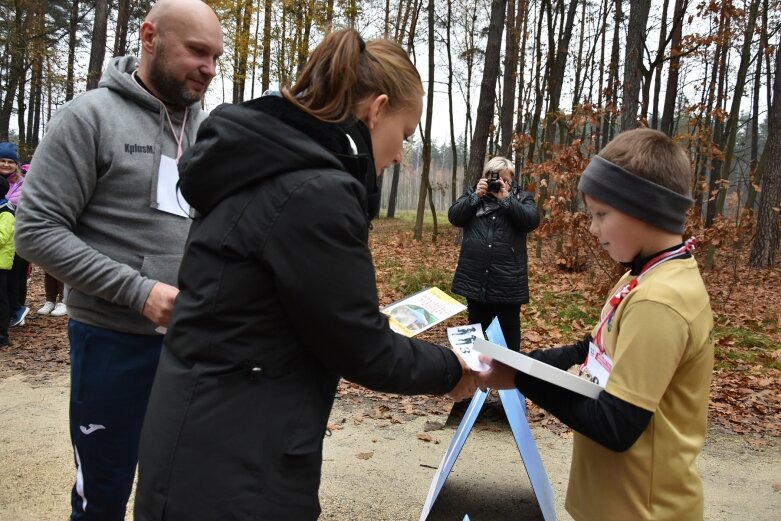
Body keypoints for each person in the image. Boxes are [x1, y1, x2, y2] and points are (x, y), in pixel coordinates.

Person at [133, 28, 476, 521]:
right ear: (376, 109)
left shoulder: (267, 163)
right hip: (240, 463)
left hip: (206, 431)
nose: (401, 154)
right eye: (402, 134)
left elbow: (293, 310)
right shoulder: (315, 190)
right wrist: (453, 373)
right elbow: (360, 346)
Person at [14, 1, 224, 519]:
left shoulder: (210, 131)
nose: (210, 68)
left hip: (194, 343)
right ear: (149, 37)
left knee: (181, 489)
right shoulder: (87, 118)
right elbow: (35, 231)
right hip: (111, 342)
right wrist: (139, 291)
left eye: (217, 57)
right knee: (103, 492)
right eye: (197, 51)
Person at [476, 128, 714, 521]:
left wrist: (519, 380)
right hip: (613, 502)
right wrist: (514, 362)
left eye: (601, 214)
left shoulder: (660, 300)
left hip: (642, 509)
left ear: (646, 209)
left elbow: (616, 425)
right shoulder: (640, 278)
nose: (592, 228)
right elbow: (589, 350)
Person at [448, 156, 539, 351]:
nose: (499, 183)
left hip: (508, 282)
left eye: (505, 180)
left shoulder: (522, 198)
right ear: (485, 177)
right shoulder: (474, 195)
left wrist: (507, 200)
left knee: (509, 337)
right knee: (477, 336)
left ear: (512, 179)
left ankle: (507, 378)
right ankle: (478, 378)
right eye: (494, 178)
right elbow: (455, 216)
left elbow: (531, 221)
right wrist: (475, 197)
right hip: (476, 280)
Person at [0, 142, 29, 327]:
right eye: (2, 160)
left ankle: (16, 309)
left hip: (18, 237)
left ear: (16, 164)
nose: (5, 165)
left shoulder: (23, 183)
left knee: (16, 276)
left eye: (10, 161)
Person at [0, 176, 15, 347]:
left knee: (1, 299)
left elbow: (2, 237)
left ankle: (2, 334)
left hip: (1, 263)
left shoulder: (6, 211)